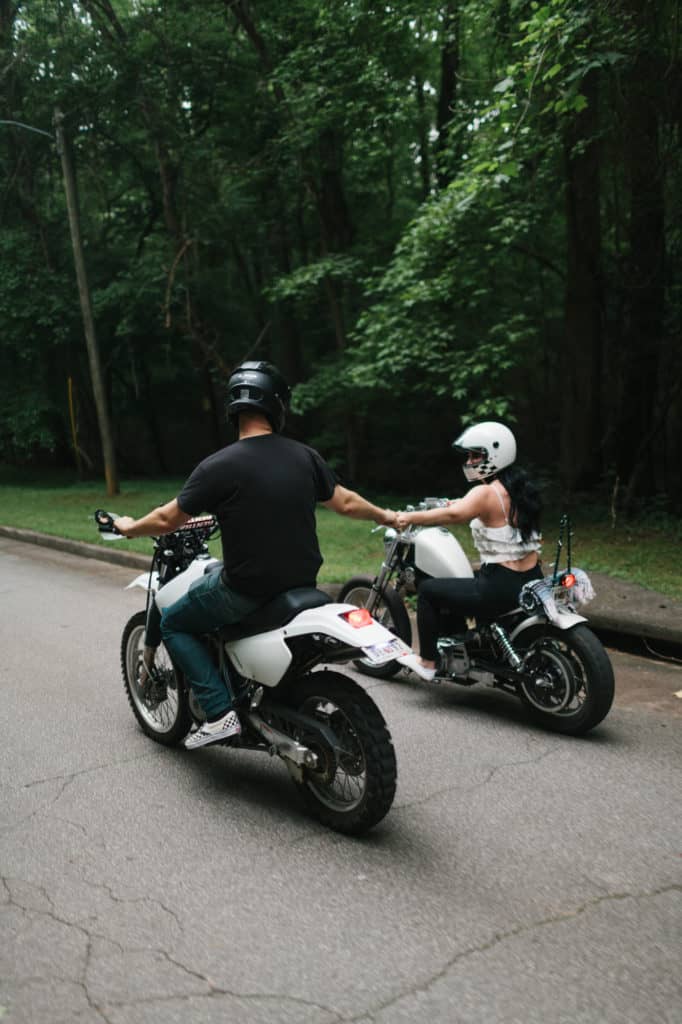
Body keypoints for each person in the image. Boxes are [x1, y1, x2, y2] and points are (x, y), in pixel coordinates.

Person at [115, 361, 396, 749]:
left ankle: (217, 712)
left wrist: (129, 526)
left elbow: (167, 517)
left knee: (176, 623)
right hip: (301, 584)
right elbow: (345, 502)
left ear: (235, 409)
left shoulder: (220, 465)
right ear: (278, 406)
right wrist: (386, 515)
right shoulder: (304, 456)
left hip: (246, 590)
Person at [395, 421, 542, 681]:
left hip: (500, 587)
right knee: (461, 584)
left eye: (477, 455)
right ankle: (466, 643)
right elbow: (472, 508)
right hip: (530, 580)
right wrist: (458, 504)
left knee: (429, 590)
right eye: (470, 456)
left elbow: (454, 514)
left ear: (495, 454)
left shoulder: (485, 492)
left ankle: (428, 661)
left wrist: (407, 517)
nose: (471, 461)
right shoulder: (521, 489)